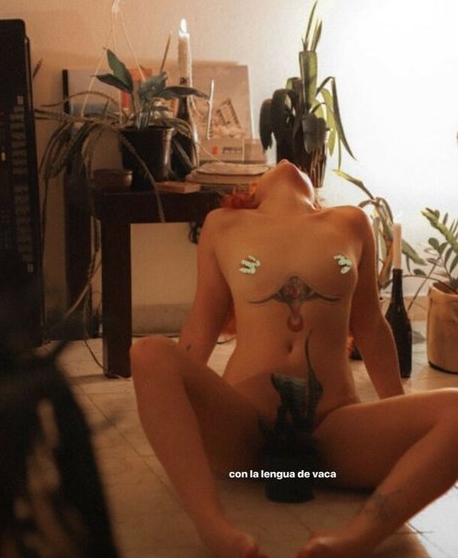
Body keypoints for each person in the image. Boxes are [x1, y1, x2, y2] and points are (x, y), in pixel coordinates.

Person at [131, 160, 458, 558]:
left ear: (315, 192)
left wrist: (398, 421)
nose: (286, 162)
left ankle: (355, 539)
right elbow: (201, 325)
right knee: (148, 352)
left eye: (294, 162)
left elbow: (371, 327)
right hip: (245, 427)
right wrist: (179, 409)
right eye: (272, 164)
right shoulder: (224, 224)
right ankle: (214, 528)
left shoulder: (351, 223)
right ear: (252, 193)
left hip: (332, 429)